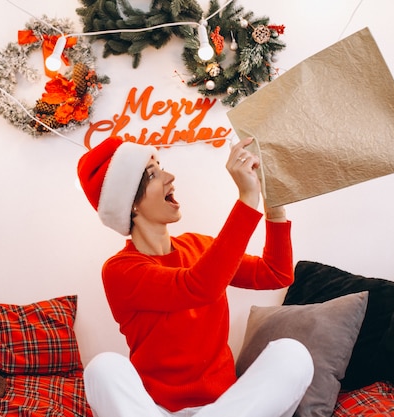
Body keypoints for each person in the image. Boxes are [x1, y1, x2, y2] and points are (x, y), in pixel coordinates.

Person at [76, 136, 314, 417]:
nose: (170, 177)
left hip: (224, 408)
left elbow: (276, 273)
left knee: (292, 354)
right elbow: (199, 287)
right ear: (131, 204)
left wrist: (275, 208)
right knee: (102, 367)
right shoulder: (120, 270)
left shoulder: (199, 247)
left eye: (161, 166)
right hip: (156, 410)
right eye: (153, 174)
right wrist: (247, 199)